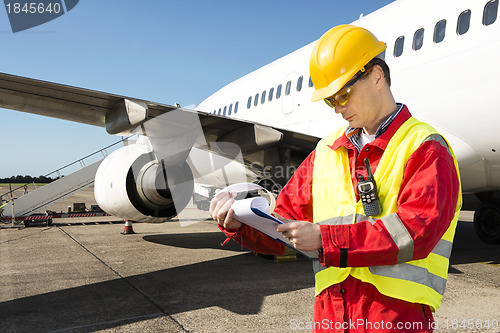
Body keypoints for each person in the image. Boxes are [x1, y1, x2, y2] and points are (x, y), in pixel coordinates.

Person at [210, 24, 461, 333]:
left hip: (394, 317)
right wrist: (241, 224)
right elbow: (284, 225)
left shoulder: (425, 146)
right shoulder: (327, 150)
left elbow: (417, 231)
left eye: (343, 94)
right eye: (330, 100)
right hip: (332, 315)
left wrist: (325, 239)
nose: (338, 108)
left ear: (377, 76)